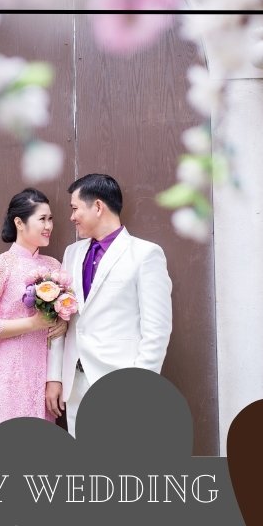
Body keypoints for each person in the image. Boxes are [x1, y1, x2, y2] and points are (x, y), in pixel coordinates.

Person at [46, 173, 172, 436]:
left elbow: (157, 330)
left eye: (75, 208)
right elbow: (61, 319)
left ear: (98, 207)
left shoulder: (145, 254)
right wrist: (55, 376)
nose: (71, 217)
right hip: (75, 384)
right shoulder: (72, 253)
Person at [0, 188, 68, 452]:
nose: (49, 226)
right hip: (3, 374)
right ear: (19, 223)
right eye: (42, 219)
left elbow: (61, 324)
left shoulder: (55, 267)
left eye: (51, 219)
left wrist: (62, 324)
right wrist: (32, 324)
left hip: (39, 376)